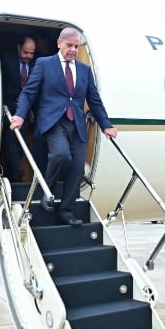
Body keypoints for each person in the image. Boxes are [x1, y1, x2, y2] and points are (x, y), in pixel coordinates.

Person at [10, 27, 117, 226]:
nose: (73, 50)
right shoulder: (44, 64)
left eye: (76, 46)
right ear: (59, 43)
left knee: (77, 169)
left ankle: (66, 211)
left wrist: (106, 125)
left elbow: (94, 99)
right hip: (52, 122)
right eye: (69, 45)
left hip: (76, 123)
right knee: (60, 155)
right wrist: (20, 115)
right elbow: (28, 93)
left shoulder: (84, 69)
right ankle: (46, 191)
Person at [0, 35, 37, 182]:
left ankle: (13, 177)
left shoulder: (37, 64)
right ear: (18, 48)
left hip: (26, 112)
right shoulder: (6, 60)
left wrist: (31, 108)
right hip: (9, 110)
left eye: (32, 53)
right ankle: (15, 174)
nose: (29, 56)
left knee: (20, 146)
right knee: (10, 145)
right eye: (25, 52)